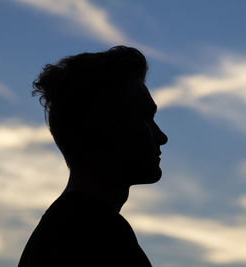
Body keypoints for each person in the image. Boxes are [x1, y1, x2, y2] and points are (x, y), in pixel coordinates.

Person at [18, 46, 168, 266]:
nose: (161, 136)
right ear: (107, 126)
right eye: (145, 118)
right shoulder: (93, 234)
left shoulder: (68, 227)